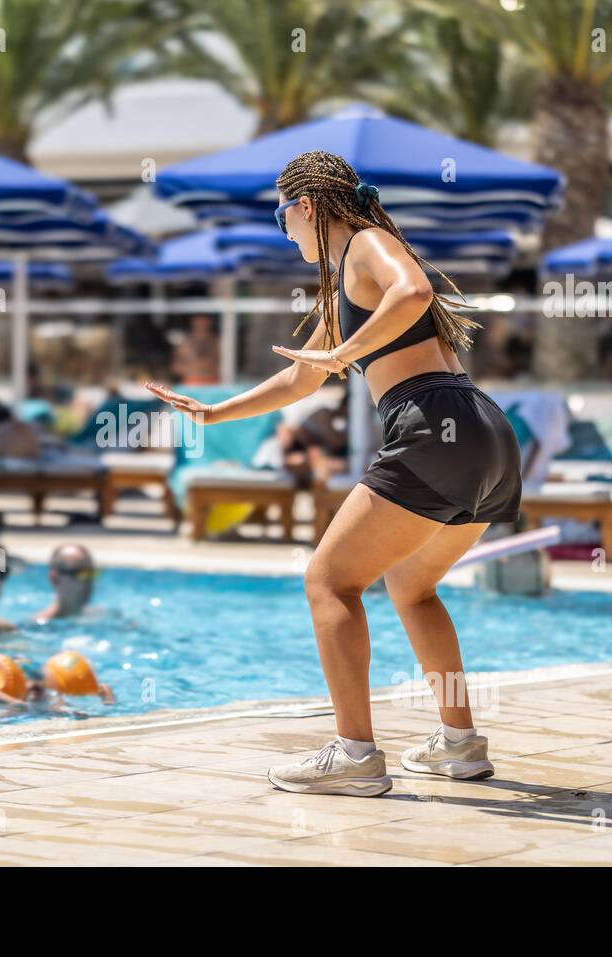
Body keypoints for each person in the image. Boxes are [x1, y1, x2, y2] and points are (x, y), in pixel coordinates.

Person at [148, 151, 521, 798]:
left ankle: (355, 754)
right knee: (412, 587)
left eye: (281, 213)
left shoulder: (369, 245)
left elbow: (415, 291)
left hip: (435, 425)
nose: (283, 227)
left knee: (328, 579)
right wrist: (216, 412)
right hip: (484, 436)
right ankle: (460, 744)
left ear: (308, 207)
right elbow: (305, 374)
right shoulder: (345, 279)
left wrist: (349, 351)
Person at [0, 650, 115, 706]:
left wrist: (107, 700)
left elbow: (82, 718)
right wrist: (14, 703)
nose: (31, 681)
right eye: (23, 673)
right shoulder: (8, 695)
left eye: (34, 672)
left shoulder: (51, 698)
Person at [34, 544, 96, 623]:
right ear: (55, 579)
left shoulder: (103, 616)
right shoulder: (39, 625)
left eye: (91, 573)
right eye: (78, 573)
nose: (88, 580)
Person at [171, 314, 221, 386]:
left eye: (204, 318)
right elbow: (175, 367)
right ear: (192, 321)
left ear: (210, 321)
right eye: (198, 318)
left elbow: (224, 365)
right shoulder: (183, 343)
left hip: (214, 384)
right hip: (191, 384)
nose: (201, 322)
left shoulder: (217, 342)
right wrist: (195, 367)